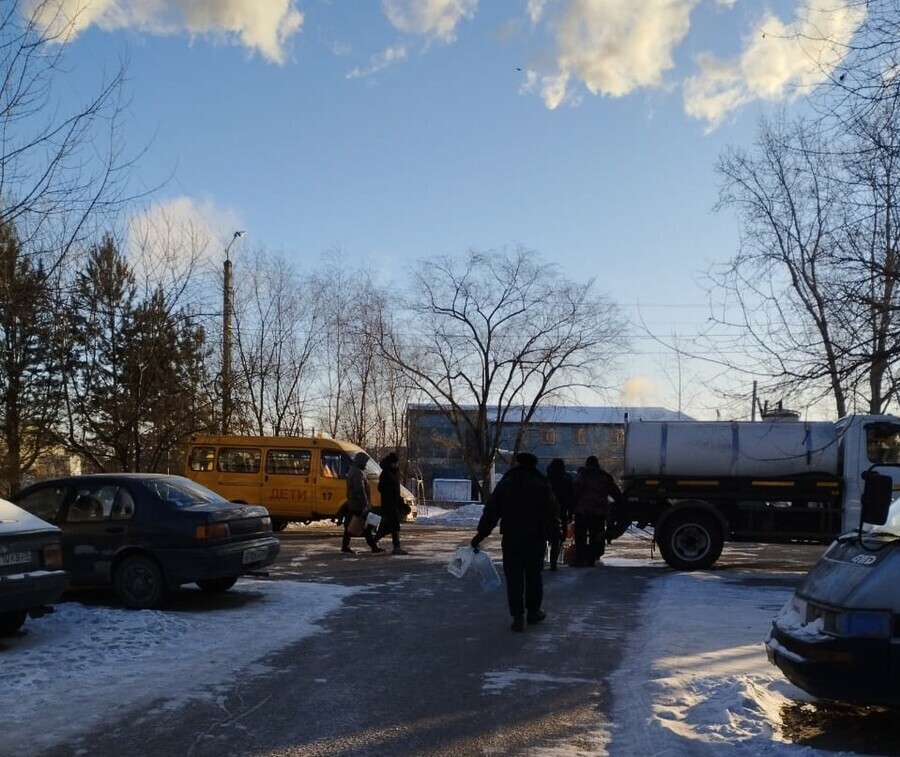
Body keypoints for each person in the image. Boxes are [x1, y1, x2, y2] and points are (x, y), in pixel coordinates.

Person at [470, 452, 561, 632]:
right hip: (536, 537)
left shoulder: (507, 482)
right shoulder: (541, 482)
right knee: (534, 575)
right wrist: (554, 536)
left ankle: (518, 617)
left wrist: (480, 535)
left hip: (512, 538)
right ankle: (534, 612)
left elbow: (492, 510)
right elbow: (552, 512)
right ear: (534, 464)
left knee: (514, 578)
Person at [572, 455, 623, 567]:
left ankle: (579, 560)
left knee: (581, 537)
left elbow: (575, 492)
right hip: (598, 512)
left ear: (587, 464)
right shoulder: (605, 476)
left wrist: (572, 507)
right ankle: (592, 558)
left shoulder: (583, 475)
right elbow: (616, 493)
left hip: (582, 511)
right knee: (595, 535)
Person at [341, 451, 384, 554]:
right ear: (360, 461)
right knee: (365, 526)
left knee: (351, 526)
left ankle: (345, 546)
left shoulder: (354, 470)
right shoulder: (358, 473)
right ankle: (373, 546)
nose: (365, 464)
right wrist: (365, 504)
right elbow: (360, 490)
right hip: (358, 504)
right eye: (365, 462)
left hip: (353, 503)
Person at [373, 452, 409, 555]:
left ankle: (374, 541)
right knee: (393, 526)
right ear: (392, 463)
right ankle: (396, 546)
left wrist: (399, 500)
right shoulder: (387, 474)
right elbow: (384, 488)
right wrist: (394, 498)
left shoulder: (391, 473)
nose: (397, 465)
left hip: (392, 503)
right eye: (395, 463)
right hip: (390, 504)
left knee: (389, 526)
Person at [545, 458, 574, 570]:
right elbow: (571, 498)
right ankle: (553, 563)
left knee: (543, 536)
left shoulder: (546, 480)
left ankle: (541, 562)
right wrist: (571, 512)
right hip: (561, 512)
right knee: (557, 538)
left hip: (546, 512)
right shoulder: (566, 480)